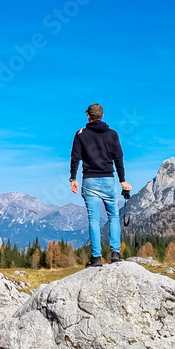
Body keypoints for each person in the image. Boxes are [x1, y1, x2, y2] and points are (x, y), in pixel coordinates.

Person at [70, 103, 131, 268]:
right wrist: (122, 180)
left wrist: (73, 178)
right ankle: (115, 254)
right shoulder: (112, 134)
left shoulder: (80, 134)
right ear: (102, 116)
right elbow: (118, 158)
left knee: (94, 219)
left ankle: (96, 258)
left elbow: (75, 157)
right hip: (108, 180)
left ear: (88, 116)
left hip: (90, 180)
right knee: (113, 217)